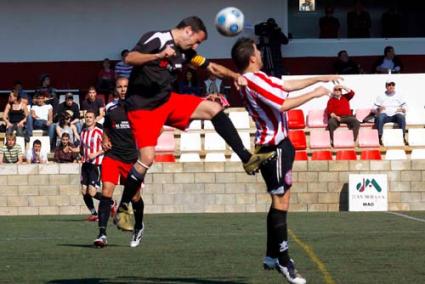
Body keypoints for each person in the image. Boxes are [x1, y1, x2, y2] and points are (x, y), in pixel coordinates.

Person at [114, 16, 274, 230]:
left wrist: (235, 75)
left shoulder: (186, 53)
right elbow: (130, 58)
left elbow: (210, 67)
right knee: (147, 158)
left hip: (167, 100)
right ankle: (123, 207)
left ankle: (246, 158)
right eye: (196, 41)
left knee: (214, 108)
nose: (196, 46)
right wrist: (159, 55)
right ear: (188, 30)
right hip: (143, 108)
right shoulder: (158, 39)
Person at [231, 37, 339, 284]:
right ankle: (283, 260)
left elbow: (286, 85)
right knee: (281, 200)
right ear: (252, 58)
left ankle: (272, 255)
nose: (260, 53)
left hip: (279, 145)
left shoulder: (258, 78)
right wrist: (315, 93)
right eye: (257, 50)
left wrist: (319, 78)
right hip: (274, 147)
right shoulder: (254, 81)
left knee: (280, 199)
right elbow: (283, 103)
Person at [94, 77, 144, 248]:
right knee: (106, 191)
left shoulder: (139, 107)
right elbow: (106, 127)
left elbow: (154, 127)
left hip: (132, 160)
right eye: (120, 87)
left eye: (126, 87)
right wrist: (104, 139)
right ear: (115, 90)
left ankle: (138, 226)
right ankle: (102, 234)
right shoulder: (110, 108)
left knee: (136, 197)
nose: (123, 89)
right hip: (112, 156)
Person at [80, 111, 104, 221]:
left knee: (92, 192)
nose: (88, 119)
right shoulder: (83, 132)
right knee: (84, 191)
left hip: (96, 164)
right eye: (87, 117)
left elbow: (108, 146)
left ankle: (112, 202)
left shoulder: (99, 132)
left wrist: (96, 153)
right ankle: (94, 213)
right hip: (86, 164)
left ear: (95, 119)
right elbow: (81, 148)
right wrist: (74, 150)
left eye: (90, 117)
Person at [373, 80, 406, 145]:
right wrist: (378, 109)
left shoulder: (399, 95)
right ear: (386, 86)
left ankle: (403, 136)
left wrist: (402, 109)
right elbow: (373, 107)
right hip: (385, 115)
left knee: (401, 117)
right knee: (381, 116)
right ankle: (379, 137)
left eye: (392, 85)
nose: (391, 86)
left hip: (396, 114)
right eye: (389, 85)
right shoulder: (381, 96)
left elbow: (405, 106)